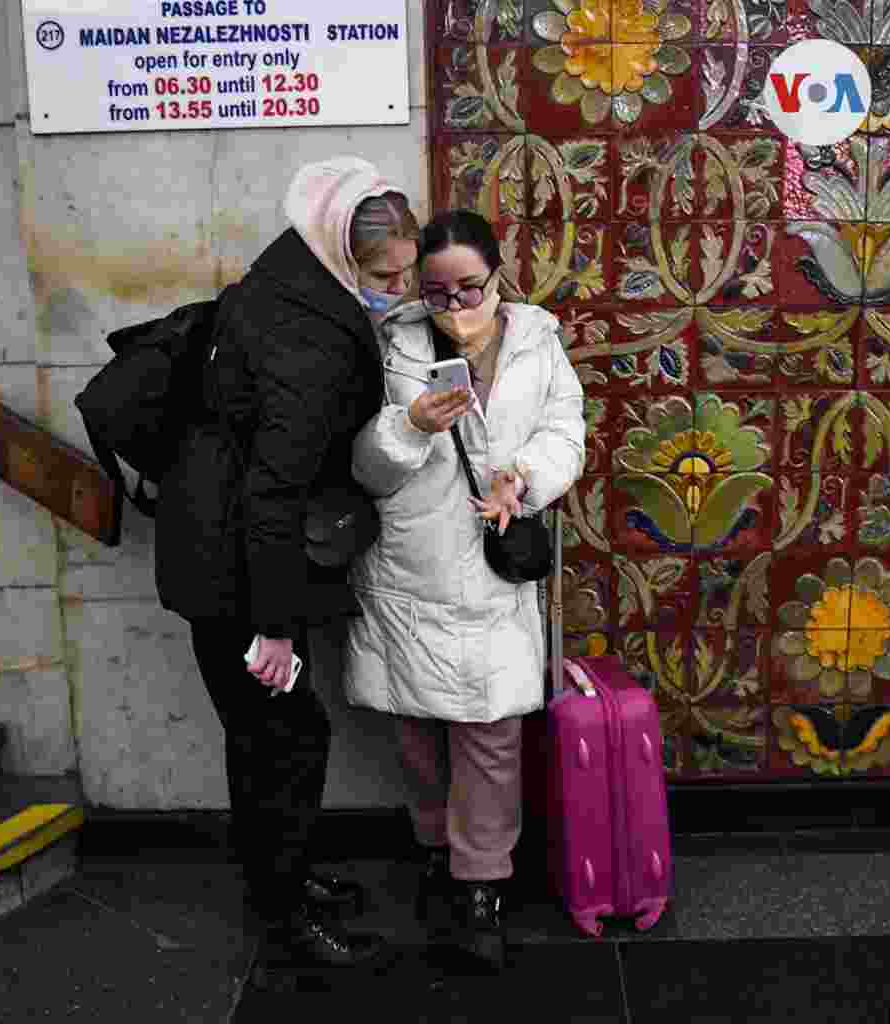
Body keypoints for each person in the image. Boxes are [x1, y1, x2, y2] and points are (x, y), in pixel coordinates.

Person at [152, 157, 420, 989]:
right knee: (288, 739)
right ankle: (286, 919)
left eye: (406, 270)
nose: (397, 289)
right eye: (386, 275)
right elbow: (273, 490)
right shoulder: (312, 340)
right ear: (344, 253)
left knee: (265, 737)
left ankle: (281, 878)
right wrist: (272, 626)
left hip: (215, 545)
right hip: (239, 565)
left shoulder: (283, 273)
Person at [343, 209, 586, 971]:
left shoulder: (538, 342)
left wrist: (527, 477)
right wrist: (408, 425)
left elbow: (566, 432)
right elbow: (363, 469)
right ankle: (432, 850)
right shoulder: (392, 346)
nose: (455, 307)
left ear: (497, 275)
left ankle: (482, 884)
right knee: (418, 735)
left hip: (492, 567)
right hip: (412, 567)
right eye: (437, 292)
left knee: (491, 736)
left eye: (469, 288)